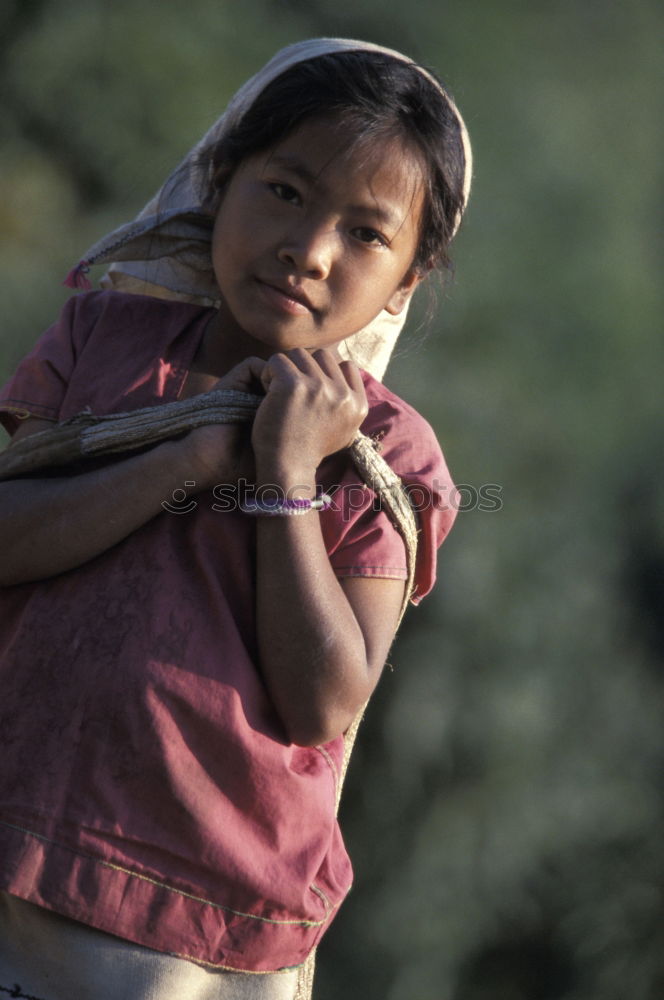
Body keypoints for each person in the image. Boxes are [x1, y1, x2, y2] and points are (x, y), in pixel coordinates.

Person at [0, 38, 471, 1000]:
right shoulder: (103, 338)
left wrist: (287, 471)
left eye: (367, 234)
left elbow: (325, 701)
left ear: (409, 279)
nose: (310, 249)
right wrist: (191, 456)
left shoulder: (386, 457)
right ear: (221, 179)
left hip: (182, 930)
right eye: (286, 193)